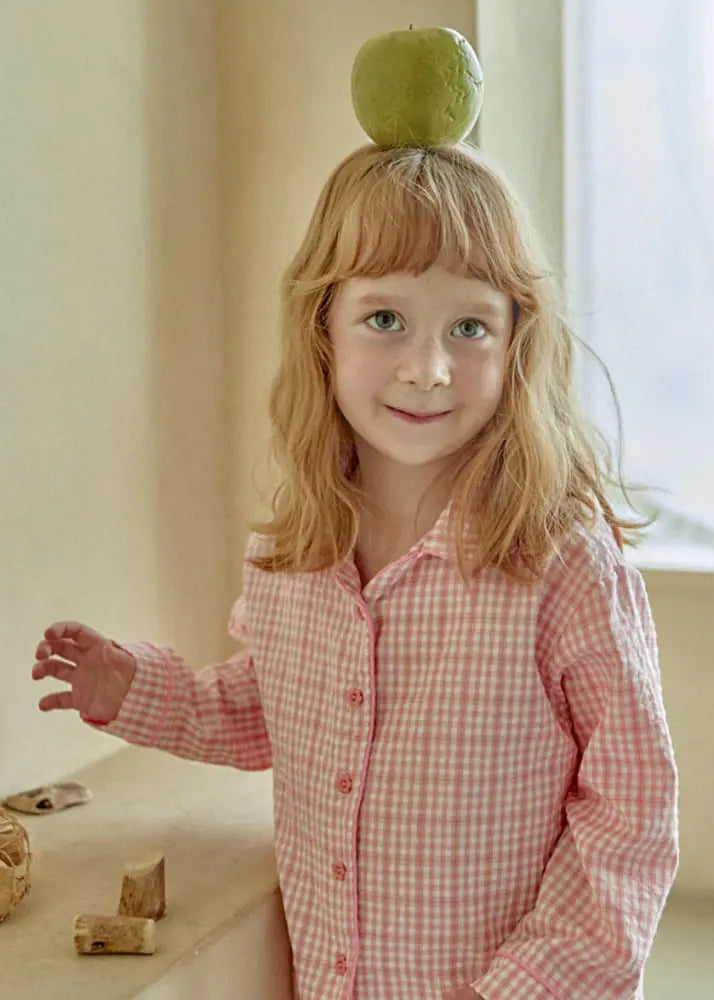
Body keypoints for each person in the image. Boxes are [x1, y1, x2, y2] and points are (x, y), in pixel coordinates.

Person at [32, 141, 679, 1000]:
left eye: (469, 327)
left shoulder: (563, 568)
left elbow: (630, 817)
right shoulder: (292, 553)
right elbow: (280, 708)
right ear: (322, 330)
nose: (428, 367)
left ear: (517, 339)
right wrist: (139, 691)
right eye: (385, 320)